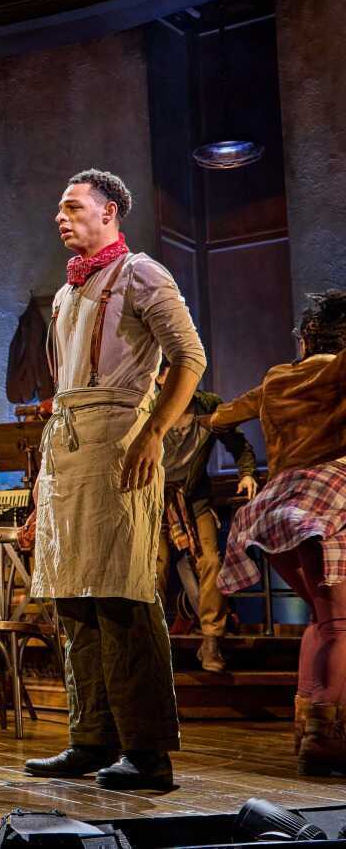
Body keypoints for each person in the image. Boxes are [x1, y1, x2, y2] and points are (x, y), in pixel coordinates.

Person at [24, 169, 206, 791]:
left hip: (118, 439)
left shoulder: (141, 273)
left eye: (73, 206)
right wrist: (41, 491)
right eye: (60, 206)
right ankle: (92, 738)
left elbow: (189, 357)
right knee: (73, 595)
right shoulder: (66, 292)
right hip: (69, 443)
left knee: (122, 593)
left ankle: (148, 752)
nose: (61, 216)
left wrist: (153, 433)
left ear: (109, 213)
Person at [210, 290, 346, 776]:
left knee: (323, 621)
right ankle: (325, 737)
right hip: (327, 499)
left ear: (307, 338)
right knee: (339, 625)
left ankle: (309, 725)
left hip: (277, 506)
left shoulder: (277, 378)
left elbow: (223, 415)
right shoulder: (336, 373)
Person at [153, 358, 258, 672]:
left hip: (194, 498)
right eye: (175, 375)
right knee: (154, 567)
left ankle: (211, 639)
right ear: (159, 379)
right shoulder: (148, 409)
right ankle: (153, 644)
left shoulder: (207, 406)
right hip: (154, 500)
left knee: (211, 561)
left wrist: (247, 473)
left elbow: (238, 443)